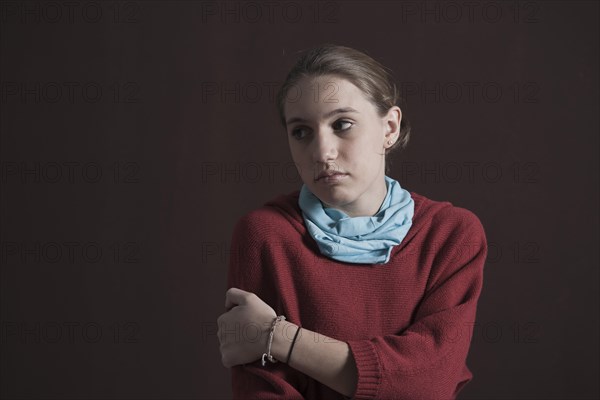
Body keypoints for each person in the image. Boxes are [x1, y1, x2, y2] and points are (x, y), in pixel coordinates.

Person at [217, 44, 488, 400]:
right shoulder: (264, 235)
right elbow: (263, 391)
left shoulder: (452, 234)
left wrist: (276, 336)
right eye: (302, 132)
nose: (322, 152)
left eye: (342, 124)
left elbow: (428, 384)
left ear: (389, 127)